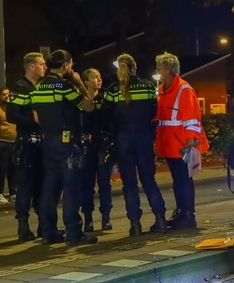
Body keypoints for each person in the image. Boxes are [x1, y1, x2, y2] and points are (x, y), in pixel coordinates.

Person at [29, 49, 97, 246]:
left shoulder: (38, 86)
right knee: (71, 188)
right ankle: (74, 233)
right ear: (66, 64)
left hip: (48, 141)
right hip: (66, 142)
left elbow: (36, 116)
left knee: (50, 188)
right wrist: (79, 85)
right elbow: (88, 106)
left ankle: (48, 232)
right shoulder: (64, 86)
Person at [103, 54, 168, 236]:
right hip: (144, 138)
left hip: (123, 140)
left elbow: (105, 114)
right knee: (149, 180)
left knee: (129, 184)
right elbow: (154, 110)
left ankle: (135, 225)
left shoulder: (114, 89)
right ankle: (160, 219)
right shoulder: (148, 86)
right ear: (135, 67)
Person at [155, 52, 208, 230]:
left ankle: (187, 215)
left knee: (183, 180)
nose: (158, 71)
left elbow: (192, 118)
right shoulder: (164, 89)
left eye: (160, 68)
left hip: (181, 145)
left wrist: (190, 143)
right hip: (171, 144)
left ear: (170, 69)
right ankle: (181, 213)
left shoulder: (184, 89)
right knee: (179, 180)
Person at [6, 52, 47, 241]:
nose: (45, 67)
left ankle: (43, 225)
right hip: (27, 143)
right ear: (31, 66)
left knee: (42, 186)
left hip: (42, 143)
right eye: (41, 64)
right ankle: (23, 226)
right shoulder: (20, 89)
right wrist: (34, 122)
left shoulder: (40, 87)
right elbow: (11, 116)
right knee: (25, 186)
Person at [79, 68, 116, 233]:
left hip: (102, 145)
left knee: (104, 184)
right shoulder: (81, 101)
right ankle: (88, 219)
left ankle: (106, 218)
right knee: (86, 184)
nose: (99, 80)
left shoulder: (105, 98)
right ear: (86, 81)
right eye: (94, 77)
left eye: (100, 76)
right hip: (86, 146)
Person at [0, 87, 17, 204]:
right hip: (2, 142)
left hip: (14, 142)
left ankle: (13, 193)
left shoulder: (12, 107)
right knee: (2, 169)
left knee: (13, 169)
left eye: (8, 94)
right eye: (4, 94)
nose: (6, 96)